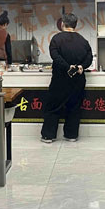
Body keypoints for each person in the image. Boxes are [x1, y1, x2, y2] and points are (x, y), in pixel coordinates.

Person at [41, 12, 93, 143]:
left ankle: (48, 136)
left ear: (62, 24)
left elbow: (55, 56)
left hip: (60, 79)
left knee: (53, 107)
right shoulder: (83, 41)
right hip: (78, 80)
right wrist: (81, 66)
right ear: (76, 25)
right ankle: (71, 135)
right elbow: (89, 58)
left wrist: (67, 67)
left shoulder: (56, 39)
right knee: (74, 108)